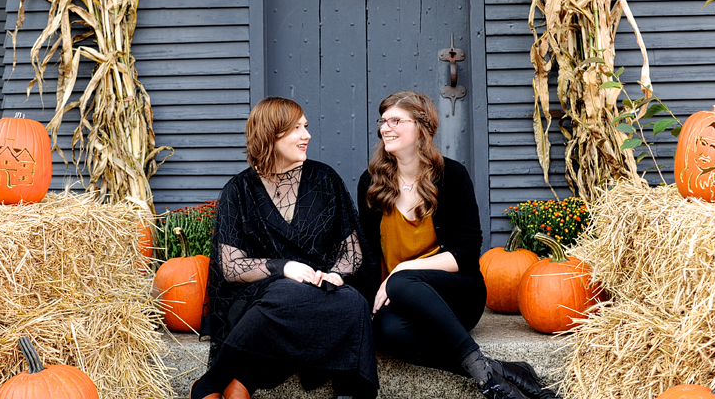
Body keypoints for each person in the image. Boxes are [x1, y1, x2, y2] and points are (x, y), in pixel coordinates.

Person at [356, 91, 558, 399]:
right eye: (383, 121)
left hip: (456, 293)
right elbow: (369, 254)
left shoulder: (452, 176)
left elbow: (465, 253)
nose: (386, 127)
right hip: (401, 300)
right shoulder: (371, 184)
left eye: (396, 120)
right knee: (385, 332)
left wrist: (402, 270)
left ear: (421, 127)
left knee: (401, 281)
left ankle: (489, 383)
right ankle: (496, 370)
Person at [193, 96, 378, 399]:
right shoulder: (238, 190)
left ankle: (349, 393)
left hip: (319, 288)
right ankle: (213, 381)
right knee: (286, 292)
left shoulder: (325, 180)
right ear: (270, 134)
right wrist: (284, 268)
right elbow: (231, 266)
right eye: (295, 129)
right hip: (261, 297)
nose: (306, 135)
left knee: (354, 302)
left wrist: (335, 274)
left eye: (305, 127)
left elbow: (353, 251)